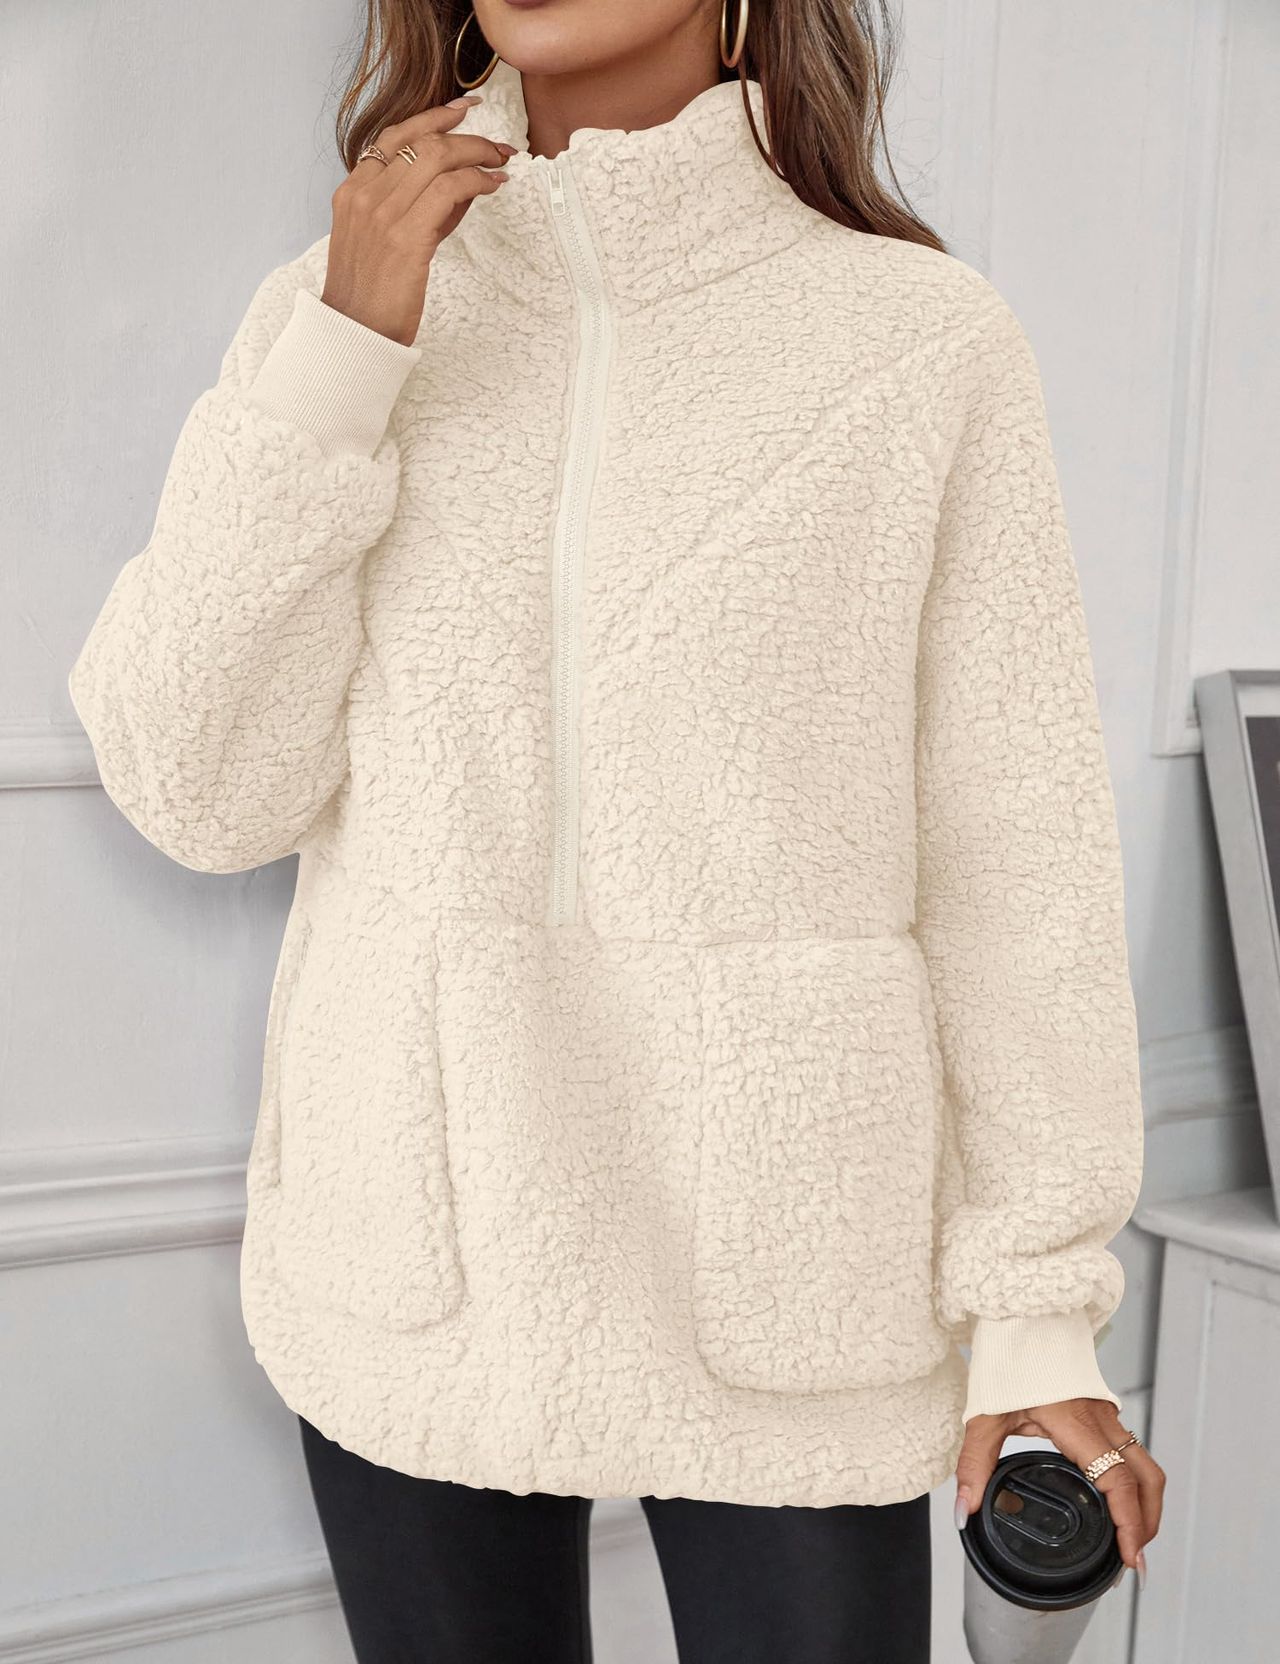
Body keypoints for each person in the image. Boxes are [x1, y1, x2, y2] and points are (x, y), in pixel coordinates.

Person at [67, 1, 1166, 1659]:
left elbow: (1017, 857)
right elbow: (197, 788)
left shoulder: (920, 341)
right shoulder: (335, 310)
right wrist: (348, 351)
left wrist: (1034, 1305)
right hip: (418, 1243)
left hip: (789, 1268)